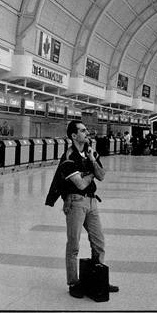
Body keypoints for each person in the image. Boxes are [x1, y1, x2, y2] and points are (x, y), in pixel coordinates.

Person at [48, 120, 118, 299]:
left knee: (99, 242)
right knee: (74, 245)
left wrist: (93, 162)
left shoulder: (91, 152)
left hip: (92, 202)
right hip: (76, 203)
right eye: (83, 130)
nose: (87, 132)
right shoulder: (69, 157)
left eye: (86, 130)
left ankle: (98, 277)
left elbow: (102, 176)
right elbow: (79, 184)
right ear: (73, 136)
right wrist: (92, 173)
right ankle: (73, 282)